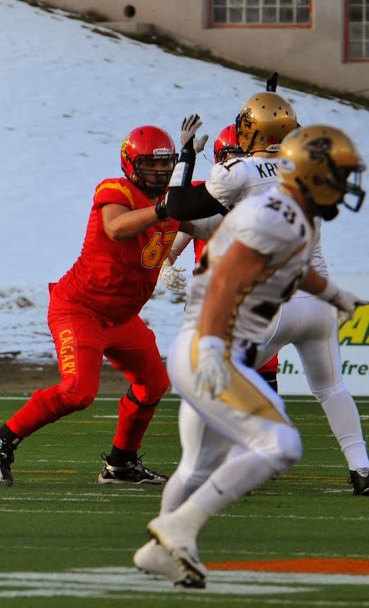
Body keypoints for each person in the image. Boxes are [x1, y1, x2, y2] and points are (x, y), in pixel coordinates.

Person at [134, 125, 366, 588]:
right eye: (337, 176)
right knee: (281, 445)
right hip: (211, 348)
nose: (344, 187)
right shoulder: (275, 215)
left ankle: (163, 552)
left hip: (206, 346)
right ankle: (177, 529)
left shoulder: (293, 215)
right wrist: (217, 348)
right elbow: (226, 279)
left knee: (197, 467)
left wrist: (337, 296)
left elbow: (296, 270)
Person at [0, 117, 205, 487]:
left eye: (165, 165)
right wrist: (167, 210)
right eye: (151, 165)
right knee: (78, 393)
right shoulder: (116, 190)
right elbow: (116, 227)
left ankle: (121, 464)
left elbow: (206, 223)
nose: (160, 173)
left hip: (122, 318)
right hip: (79, 309)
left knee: (154, 383)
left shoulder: (170, 199)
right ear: (132, 165)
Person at [164, 91, 369, 492]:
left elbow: (176, 205)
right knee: (331, 388)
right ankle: (361, 468)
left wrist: (185, 155)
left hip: (273, 305)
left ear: (250, 130)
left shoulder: (236, 172)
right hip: (317, 302)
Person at [159, 124, 281, 392]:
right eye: (230, 155)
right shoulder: (207, 195)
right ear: (218, 159)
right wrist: (165, 263)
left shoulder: (267, 196)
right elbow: (177, 226)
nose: (237, 162)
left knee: (262, 381)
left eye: (242, 154)